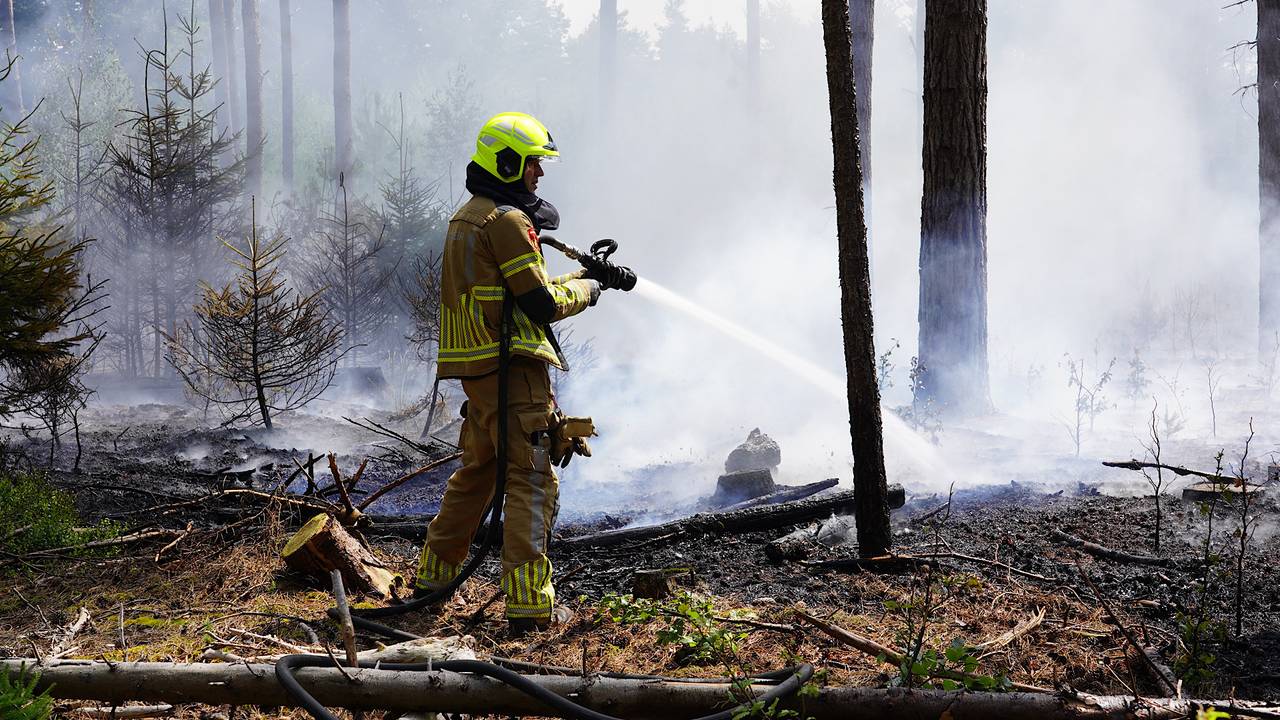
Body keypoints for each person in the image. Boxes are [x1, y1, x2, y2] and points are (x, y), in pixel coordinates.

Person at [415, 112, 631, 634]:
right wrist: (589, 290)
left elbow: (512, 291)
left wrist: (582, 272)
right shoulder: (508, 222)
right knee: (532, 483)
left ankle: (431, 582)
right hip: (516, 375)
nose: (539, 173)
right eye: (533, 163)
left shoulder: (468, 217)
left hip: (481, 375)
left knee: (476, 478)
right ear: (507, 162)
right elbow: (538, 303)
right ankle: (531, 609)